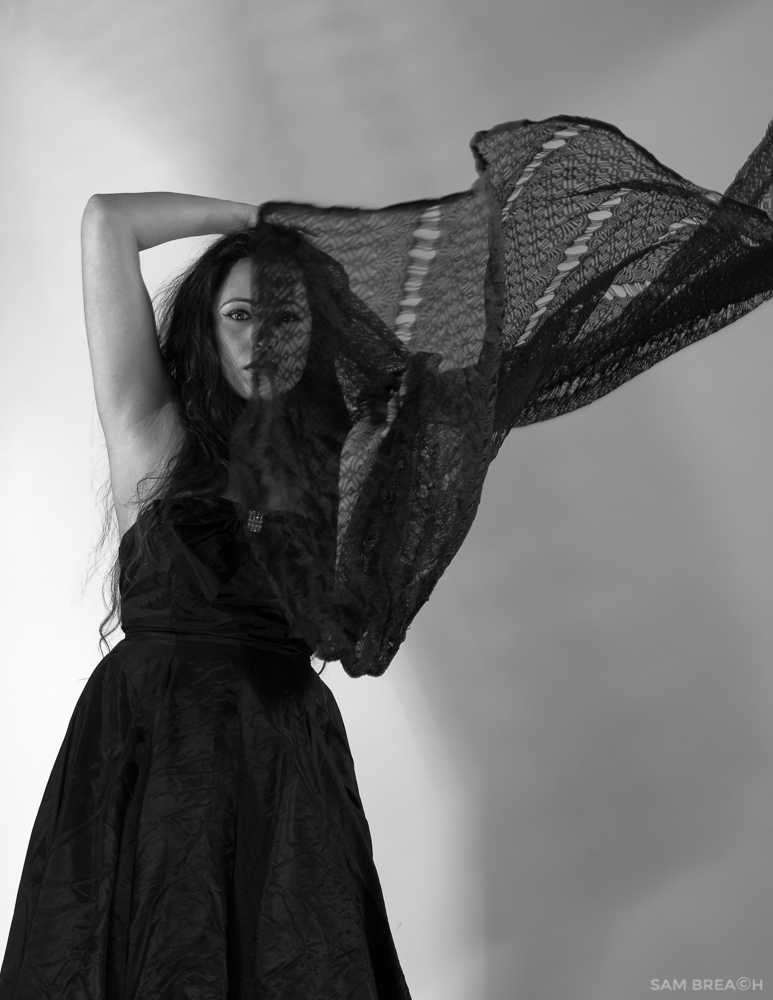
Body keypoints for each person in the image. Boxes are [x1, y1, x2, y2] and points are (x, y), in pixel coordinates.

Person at [3, 111, 773, 999]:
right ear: (206, 331)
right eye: (240, 315)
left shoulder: (345, 459)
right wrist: (263, 222)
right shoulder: (152, 437)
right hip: (144, 742)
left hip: (278, 755)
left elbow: (462, 417)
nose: (260, 339)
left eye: (284, 317)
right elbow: (108, 220)